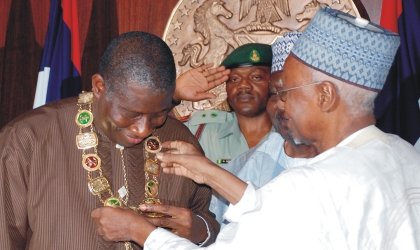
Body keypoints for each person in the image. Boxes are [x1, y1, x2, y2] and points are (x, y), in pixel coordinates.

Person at [92, 7, 420, 249]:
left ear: (324, 95)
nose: (279, 105)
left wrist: (140, 232)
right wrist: (209, 172)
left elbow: (289, 208)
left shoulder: (308, 187)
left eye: (287, 91)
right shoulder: (405, 156)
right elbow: (278, 213)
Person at [0, 31, 230, 249]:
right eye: (132, 114)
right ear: (100, 86)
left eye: (158, 114)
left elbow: (214, 230)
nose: (143, 129)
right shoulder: (28, 139)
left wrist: (200, 231)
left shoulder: (181, 141)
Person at [206, 32, 318, 226]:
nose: (243, 86)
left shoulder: (354, 160)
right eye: (277, 93)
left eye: (256, 77)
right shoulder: (247, 162)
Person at [181, 43, 275, 225]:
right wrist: (174, 96)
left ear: (274, 82)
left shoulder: (294, 137)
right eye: (234, 79)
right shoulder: (202, 131)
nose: (244, 86)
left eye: (256, 77)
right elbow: (152, 133)